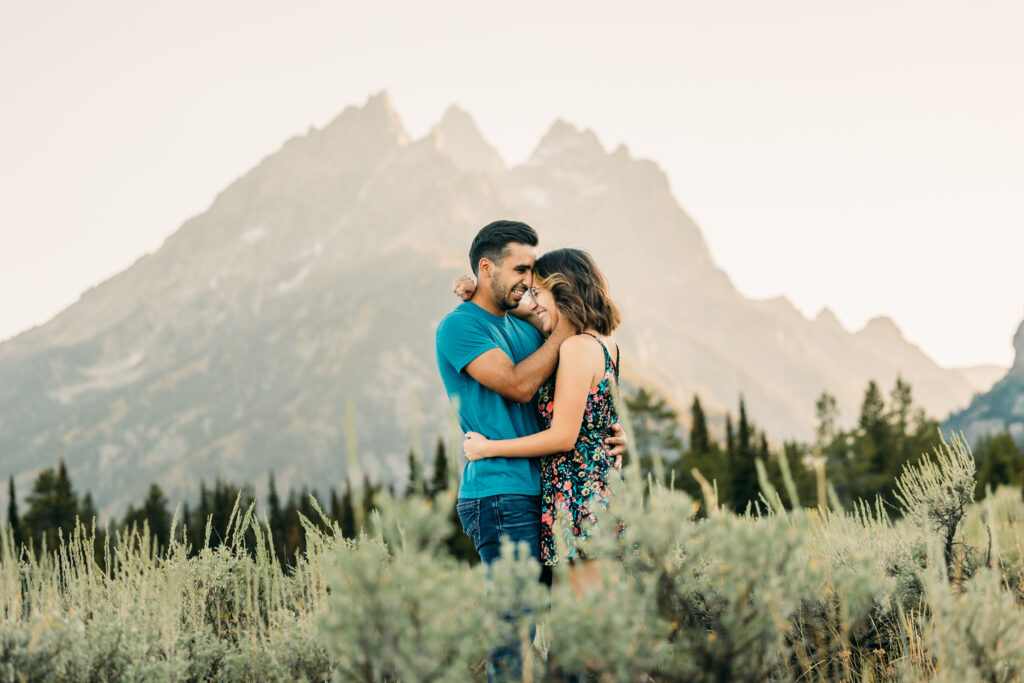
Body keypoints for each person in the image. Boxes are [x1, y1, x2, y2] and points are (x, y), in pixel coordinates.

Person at [434, 221, 625, 681]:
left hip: (550, 495)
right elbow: (521, 385)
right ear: (487, 267)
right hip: (501, 493)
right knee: (515, 631)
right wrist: (567, 330)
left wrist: (611, 433)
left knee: (556, 628)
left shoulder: (524, 326)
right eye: (521, 269)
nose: (529, 283)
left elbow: (583, 387)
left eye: (535, 275)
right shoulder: (458, 327)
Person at [461, 248, 621, 592]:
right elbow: (596, 419)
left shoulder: (576, 348)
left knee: (578, 630)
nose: (532, 303)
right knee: (589, 624)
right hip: (593, 492)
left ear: (562, 292)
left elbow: (564, 436)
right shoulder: (605, 343)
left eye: (538, 293)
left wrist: (489, 448)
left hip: (580, 498)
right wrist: (477, 292)